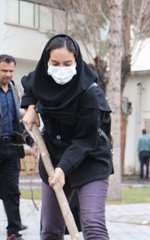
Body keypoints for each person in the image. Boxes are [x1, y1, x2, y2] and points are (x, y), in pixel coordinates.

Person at [21, 34, 113, 240]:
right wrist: (30, 107)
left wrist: (64, 168)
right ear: (47, 62)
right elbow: (29, 85)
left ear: (77, 62)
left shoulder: (90, 94)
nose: (60, 69)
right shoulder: (42, 80)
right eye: (55, 63)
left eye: (67, 63)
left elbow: (85, 141)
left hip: (90, 159)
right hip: (52, 157)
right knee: (51, 230)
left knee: (93, 226)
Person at [0, 54, 30, 240]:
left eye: (11, 71)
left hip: (11, 147)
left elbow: (17, 119)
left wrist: (29, 140)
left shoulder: (14, 89)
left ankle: (13, 230)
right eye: (4, 70)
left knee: (12, 189)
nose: (8, 74)